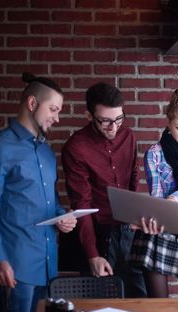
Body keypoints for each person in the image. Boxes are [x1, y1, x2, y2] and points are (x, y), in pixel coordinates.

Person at [0, 72, 77, 312]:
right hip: (15, 268)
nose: (57, 117)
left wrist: (62, 217)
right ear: (32, 103)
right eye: (53, 109)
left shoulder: (45, 152)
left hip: (46, 266)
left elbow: (50, 202)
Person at [61, 82, 146, 298]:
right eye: (105, 121)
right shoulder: (76, 148)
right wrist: (92, 255)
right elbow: (82, 204)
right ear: (89, 116)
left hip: (129, 230)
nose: (113, 127)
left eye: (118, 119)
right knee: (99, 306)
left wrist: (137, 214)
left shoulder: (128, 137)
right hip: (99, 233)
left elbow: (134, 179)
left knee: (140, 301)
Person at [128, 88, 178, 298]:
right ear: (168, 123)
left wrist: (176, 198)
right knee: (159, 303)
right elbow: (156, 193)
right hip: (161, 225)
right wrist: (164, 207)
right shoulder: (154, 153)